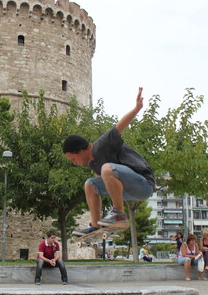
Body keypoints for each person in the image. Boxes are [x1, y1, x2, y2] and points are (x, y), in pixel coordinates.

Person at [63, 88, 155, 237]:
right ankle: (95, 225)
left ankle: (119, 213)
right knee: (90, 184)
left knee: (107, 169)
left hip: (144, 184)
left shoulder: (102, 144)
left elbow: (120, 126)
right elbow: (106, 184)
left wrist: (137, 108)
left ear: (80, 151)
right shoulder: (92, 164)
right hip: (127, 190)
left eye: (73, 159)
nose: (74, 163)